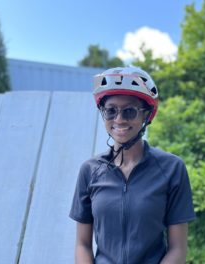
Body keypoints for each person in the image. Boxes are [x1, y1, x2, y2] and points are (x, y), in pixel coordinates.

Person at [69, 66, 196, 264]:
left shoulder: (172, 168)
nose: (119, 119)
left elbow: (178, 248)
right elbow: (82, 244)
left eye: (129, 111)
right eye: (111, 111)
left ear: (146, 115)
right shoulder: (90, 170)